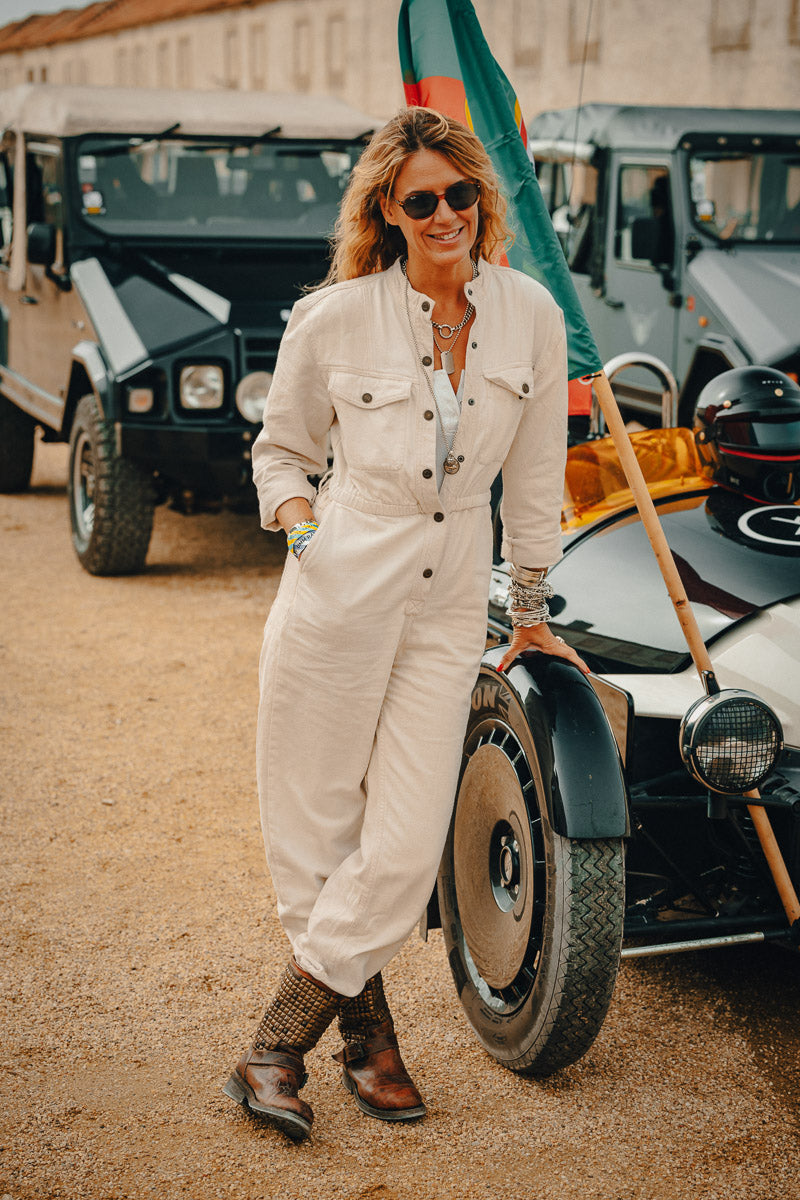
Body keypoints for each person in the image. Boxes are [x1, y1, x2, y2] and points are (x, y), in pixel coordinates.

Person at [223, 106, 588, 1142]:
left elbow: (535, 475)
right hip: (338, 586)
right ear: (387, 208)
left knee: (404, 841)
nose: (443, 215)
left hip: (449, 599)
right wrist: (307, 543)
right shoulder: (332, 318)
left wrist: (528, 610)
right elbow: (280, 453)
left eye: (459, 193)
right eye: (419, 199)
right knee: (316, 836)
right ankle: (368, 1039)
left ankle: (273, 1046)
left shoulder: (528, 314)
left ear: (479, 197)